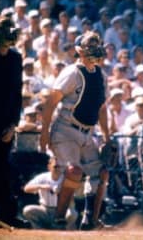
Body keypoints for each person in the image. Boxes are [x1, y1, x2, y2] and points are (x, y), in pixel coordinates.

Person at [39, 32, 111, 230]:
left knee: (102, 173)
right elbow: (50, 101)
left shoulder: (101, 75)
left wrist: (107, 136)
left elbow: (102, 108)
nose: (95, 49)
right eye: (90, 45)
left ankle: (91, 220)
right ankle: (59, 217)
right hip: (65, 129)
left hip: (88, 132)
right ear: (79, 51)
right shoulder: (72, 72)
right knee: (74, 171)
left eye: (96, 45)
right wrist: (45, 132)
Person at [0, 15, 23, 227]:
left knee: (4, 168)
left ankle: (6, 215)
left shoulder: (15, 58)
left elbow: (17, 94)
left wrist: (13, 124)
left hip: (5, 123)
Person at [22, 155, 78, 230]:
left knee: (72, 214)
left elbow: (75, 192)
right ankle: (40, 230)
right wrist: (41, 186)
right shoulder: (43, 177)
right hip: (45, 210)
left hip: (61, 211)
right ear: (49, 167)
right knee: (27, 210)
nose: (58, 169)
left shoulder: (65, 179)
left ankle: (64, 232)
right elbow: (26, 188)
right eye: (55, 166)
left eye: (60, 166)